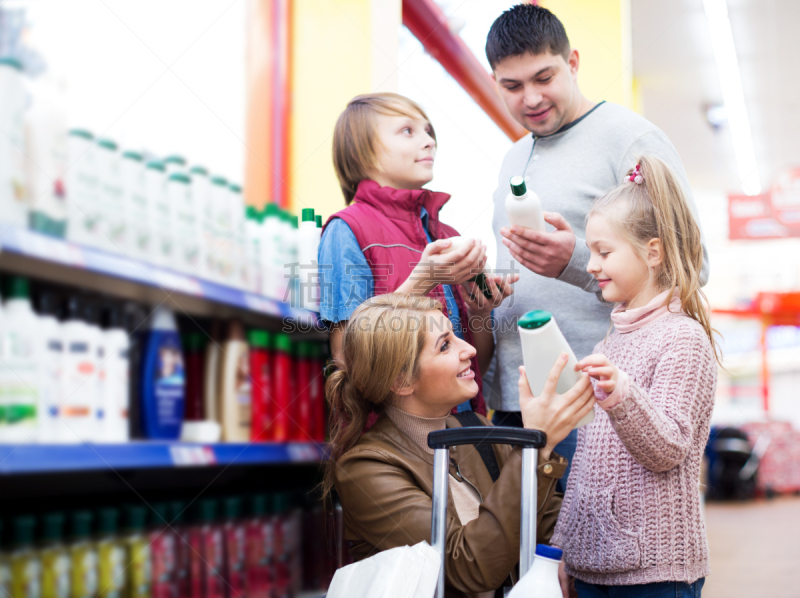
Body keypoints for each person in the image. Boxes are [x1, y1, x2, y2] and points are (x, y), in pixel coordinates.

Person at [483, 4, 709, 488]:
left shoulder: (631, 140)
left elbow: (692, 264)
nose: (532, 97)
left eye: (544, 76)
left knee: (596, 560)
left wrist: (575, 262)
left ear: (574, 62)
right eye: (513, 85)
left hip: (593, 401)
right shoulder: (512, 158)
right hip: (514, 404)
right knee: (525, 560)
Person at [324, 293, 596, 598]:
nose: (468, 349)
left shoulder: (478, 430)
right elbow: (469, 567)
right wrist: (535, 444)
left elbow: (547, 526)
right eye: (445, 345)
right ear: (401, 381)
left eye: (456, 335)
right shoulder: (366, 469)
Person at [550, 156, 718, 596]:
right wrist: (564, 548)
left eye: (604, 252)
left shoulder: (683, 339)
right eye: (590, 252)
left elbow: (668, 448)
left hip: (657, 572)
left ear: (653, 252)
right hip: (592, 568)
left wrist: (621, 394)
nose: (591, 264)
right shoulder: (608, 345)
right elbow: (587, 464)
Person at [319, 92, 518, 414]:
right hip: (395, 435)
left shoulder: (448, 236)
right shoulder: (346, 230)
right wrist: (423, 281)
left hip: (463, 433)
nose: (428, 141)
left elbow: (475, 364)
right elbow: (346, 357)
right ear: (362, 152)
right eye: (407, 131)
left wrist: (480, 313)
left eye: (428, 131)